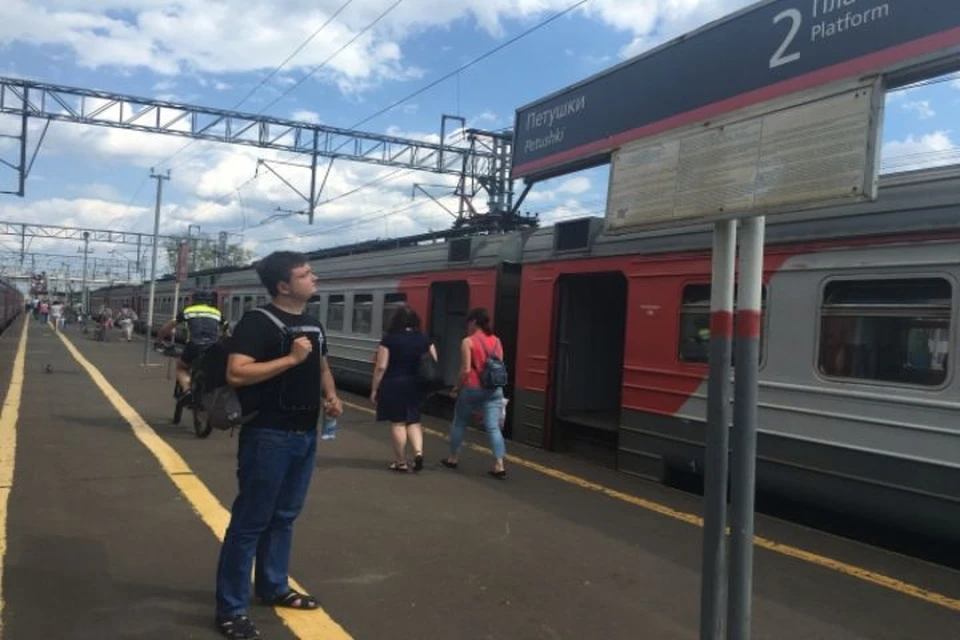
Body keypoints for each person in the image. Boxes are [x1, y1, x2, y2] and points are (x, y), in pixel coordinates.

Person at [214, 251, 343, 640]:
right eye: (306, 274)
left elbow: (321, 365)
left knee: (285, 516)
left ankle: (273, 586)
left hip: (303, 435)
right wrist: (290, 359)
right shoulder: (257, 322)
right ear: (284, 286)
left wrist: (331, 397)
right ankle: (231, 610)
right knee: (251, 522)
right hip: (268, 435)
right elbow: (236, 373)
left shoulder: (312, 323)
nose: (314, 278)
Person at [441, 307, 508, 478]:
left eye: (469, 322)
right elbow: (498, 365)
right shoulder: (497, 341)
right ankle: (499, 465)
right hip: (494, 389)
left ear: (473, 322)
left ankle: (453, 458)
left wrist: (456, 388)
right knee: (493, 427)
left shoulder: (468, 341)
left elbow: (464, 370)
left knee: (460, 422)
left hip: (473, 387)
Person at [370, 305, 437, 472]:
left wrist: (374, 389)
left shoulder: (389, 339)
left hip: (394, 383)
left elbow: (381, 366)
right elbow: (433, 359)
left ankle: (400, 462)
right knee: (413, 421)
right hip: (416, 384)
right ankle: (418, 454)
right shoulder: (423, 338)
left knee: (398, 423)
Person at [156, 290, 222, 397]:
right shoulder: (217, 313)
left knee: (181, 367)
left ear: (194, 300)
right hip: (213, 348)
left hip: (194, 346)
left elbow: (166, 328)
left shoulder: (188, 311)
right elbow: (227, 332)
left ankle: (187, 391)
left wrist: (159, 341)